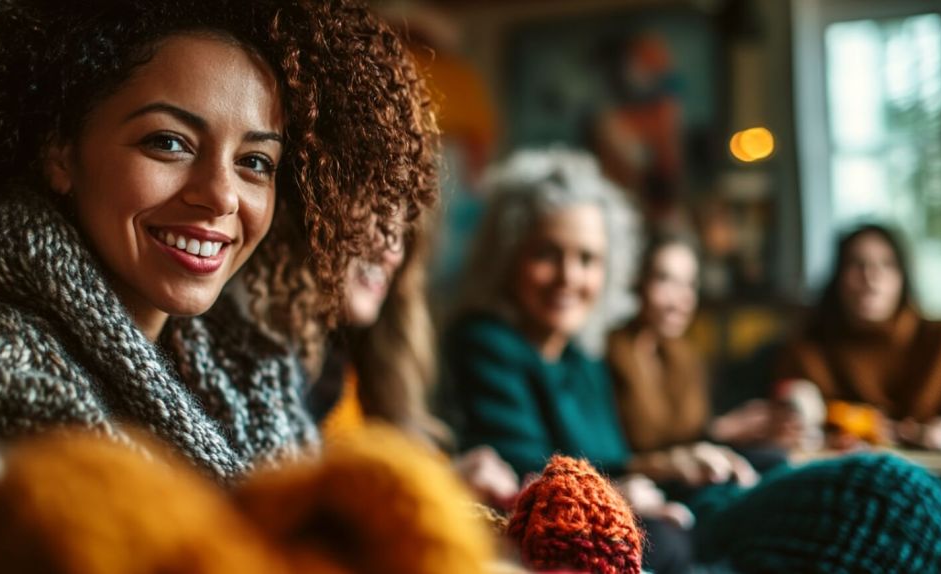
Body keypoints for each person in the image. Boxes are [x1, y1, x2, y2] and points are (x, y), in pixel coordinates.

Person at [0, 0, 438, 483]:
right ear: (61, 153)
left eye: (255, 162)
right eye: (168, 142)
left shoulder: (253, 369)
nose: (222, 196)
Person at [444, 148, 711, 574]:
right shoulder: (484, 341)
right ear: (508, 258)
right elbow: (526, 476)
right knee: (665, 538)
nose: (569, 277)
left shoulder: (581, 355)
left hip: (594, 515)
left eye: (587, 259)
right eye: (547, 254)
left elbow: (605, 458)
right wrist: (627, 490)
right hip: (530, 531)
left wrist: (668, 465)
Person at [305, 215, 520, 507]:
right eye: (371, 217)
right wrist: (438, 487)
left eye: (400, 230)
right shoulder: (284, 372)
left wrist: (452, 477)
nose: (391, 251)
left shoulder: (372, 362)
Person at [607, 233, 789, 471]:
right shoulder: (608, 353)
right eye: (665, 280)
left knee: (777, 460)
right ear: (638, 281)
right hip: (640, 482)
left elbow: (686, 435)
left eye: (689, 284)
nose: (681, 299)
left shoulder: (685, 355)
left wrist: (724, 429)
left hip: (688, 472)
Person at [777, 223, 941, 450]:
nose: (871, 277)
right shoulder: (809, 350)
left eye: (887, 264)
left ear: (904, 277)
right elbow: (792, 403)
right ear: (838, 278)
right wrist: (799, 409)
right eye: (857, 264)